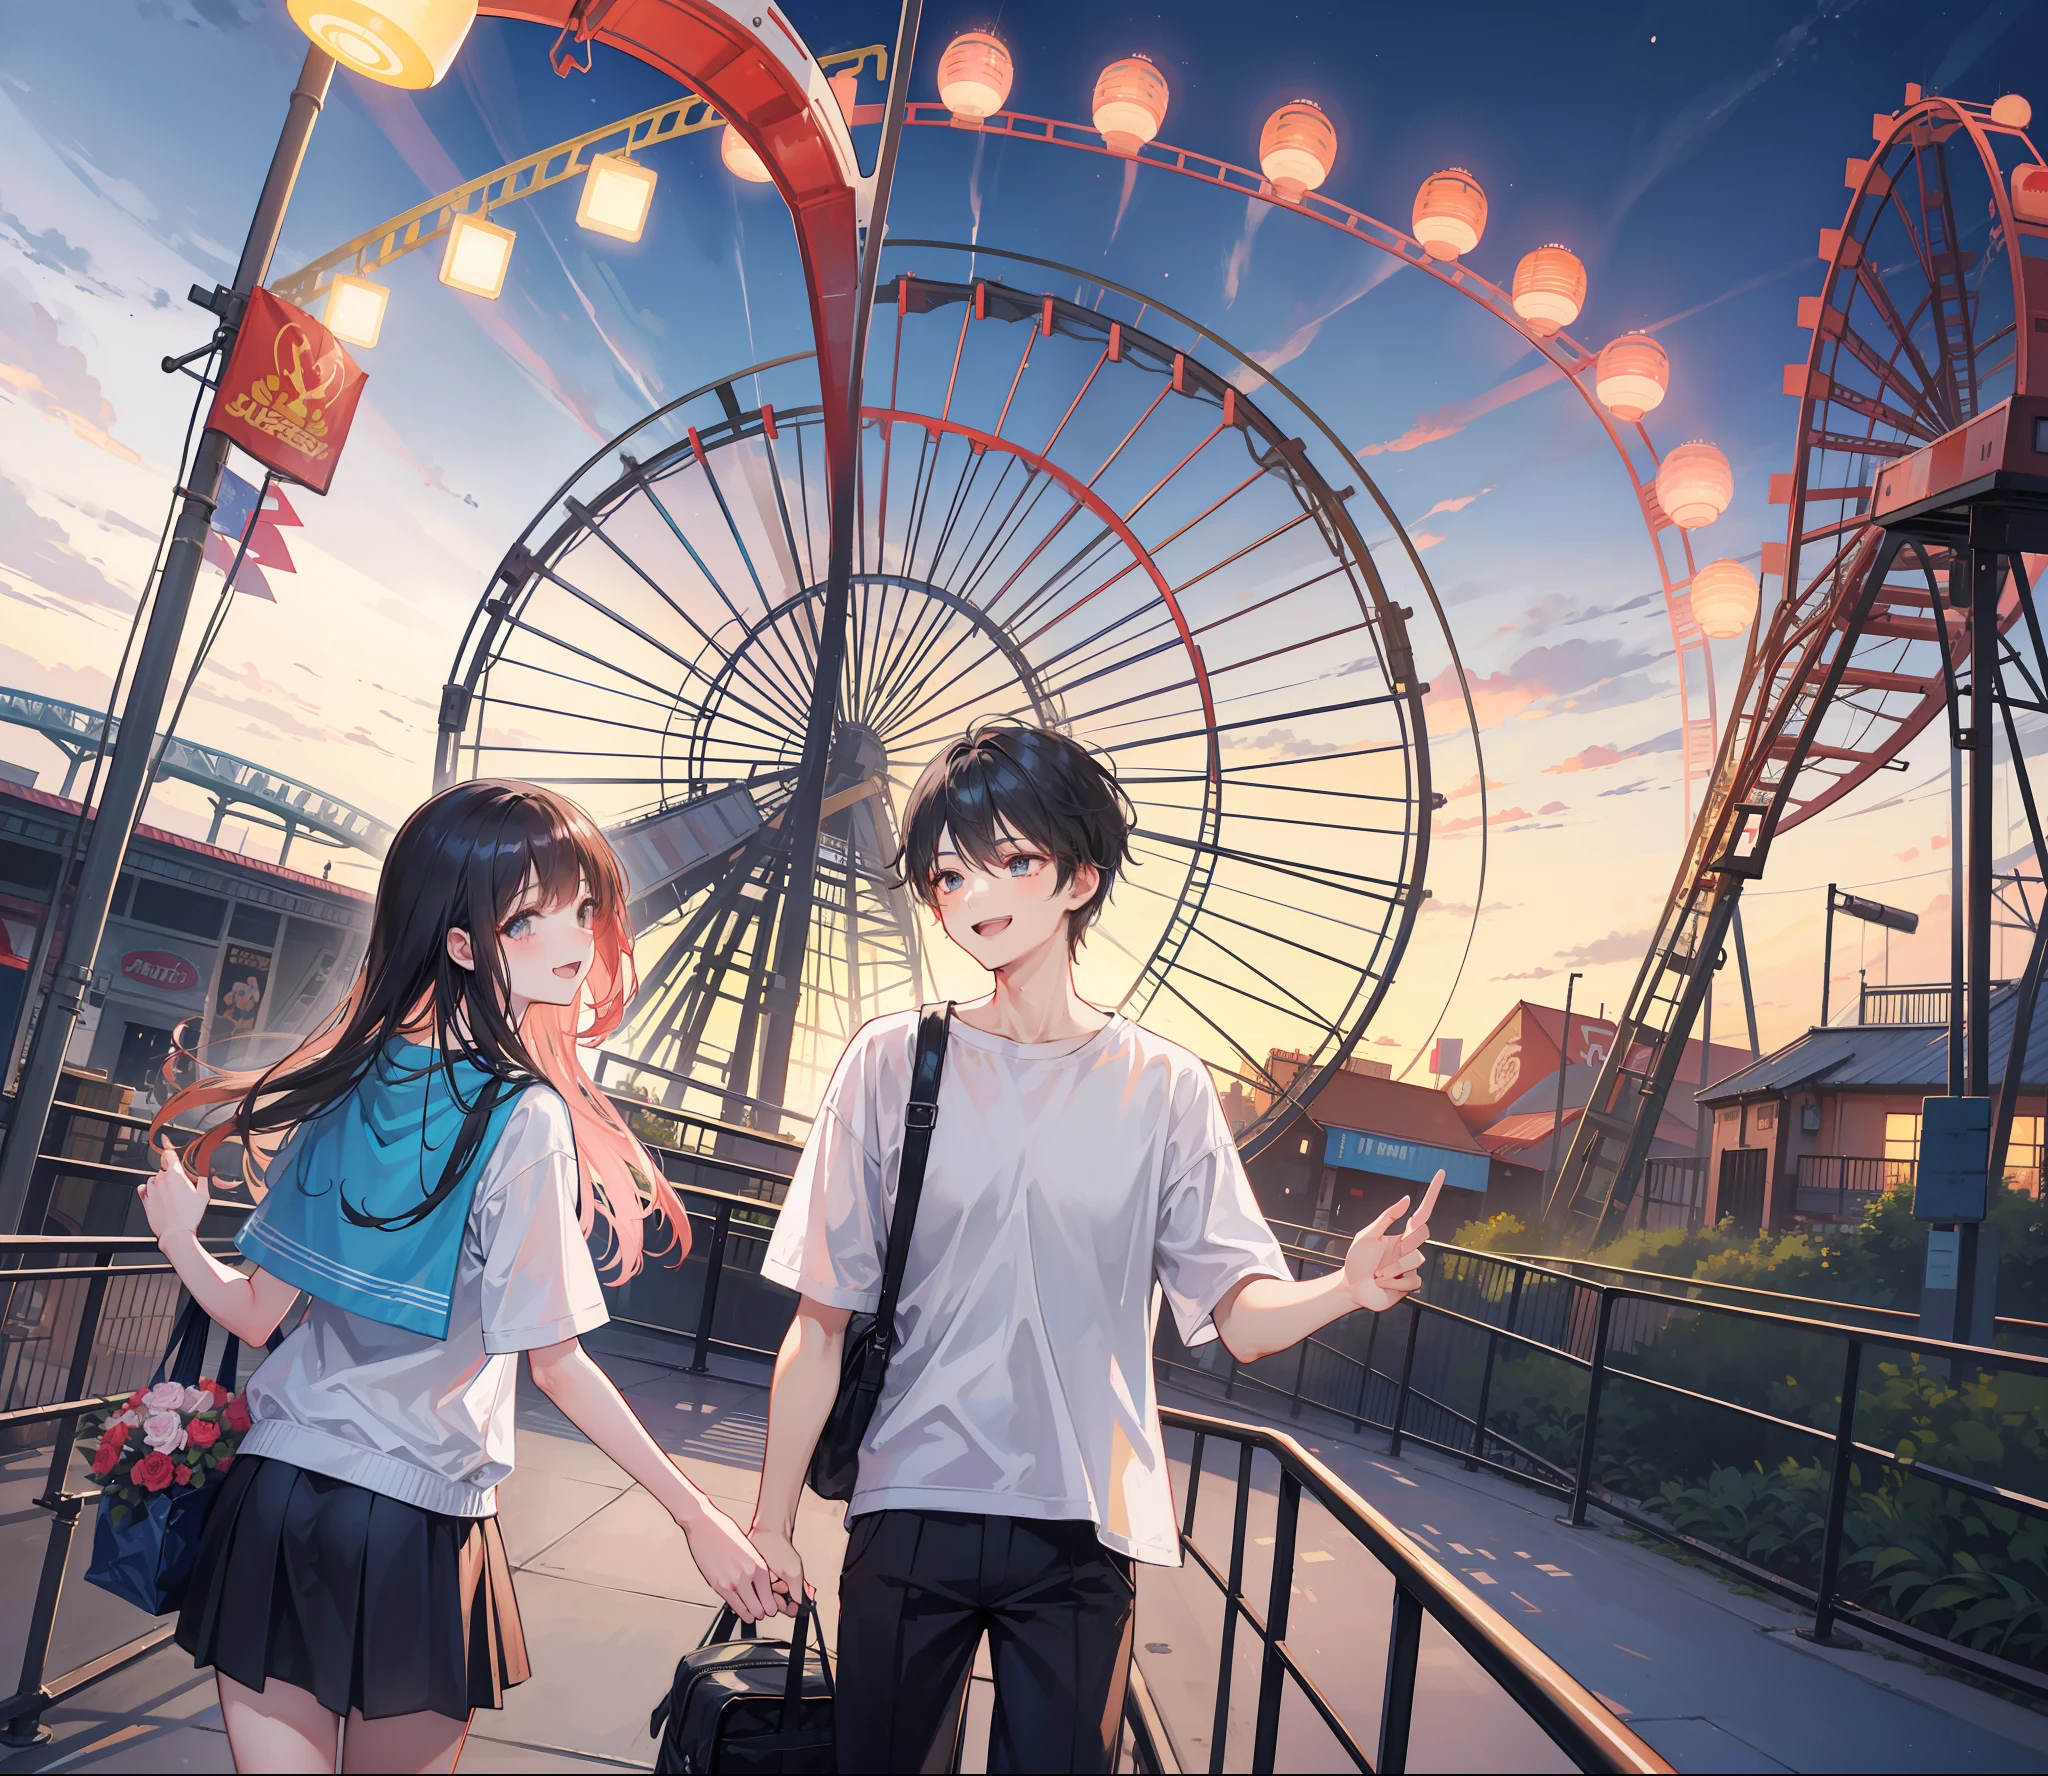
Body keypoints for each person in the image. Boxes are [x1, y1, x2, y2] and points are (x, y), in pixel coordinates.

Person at [747, 725, 1440, 1774]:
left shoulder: (1160, 1086)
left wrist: (1344, 1288)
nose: (977, 893)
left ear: (1079, 875)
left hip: (1082, 1521)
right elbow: (820, 1318)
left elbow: (1239, 1318)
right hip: (910, 1501)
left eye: (1012, 860)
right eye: (948, 871)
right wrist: (768, 1520)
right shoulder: (891, 1064)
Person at [138, 781, 779, 1775]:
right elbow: (556, 1363)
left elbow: (252, 1313)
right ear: (465, 944)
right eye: (530, 917)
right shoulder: (522, 1119)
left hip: (273, 1500)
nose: (572, 939)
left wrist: (184, 1237)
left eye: (581, 908)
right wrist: (697, 1518)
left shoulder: (344, 1082)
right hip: (412, 1519)